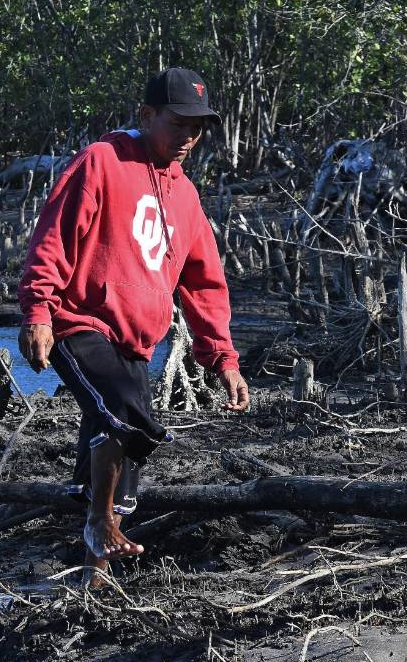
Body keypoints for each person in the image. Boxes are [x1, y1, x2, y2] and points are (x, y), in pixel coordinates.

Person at [17, 67, 249, 581]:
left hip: (136, 342)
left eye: (197, 127)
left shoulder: (186, 196)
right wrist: (38, 311)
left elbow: (205, 283)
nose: (189, 136)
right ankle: (98, 523)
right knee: (124, 411)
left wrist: (223, 359)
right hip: (78, 322)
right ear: (147, 115)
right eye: (178, 123)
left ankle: (94, 580)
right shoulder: (102, 161)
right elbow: (53, 237)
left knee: (121, 460)